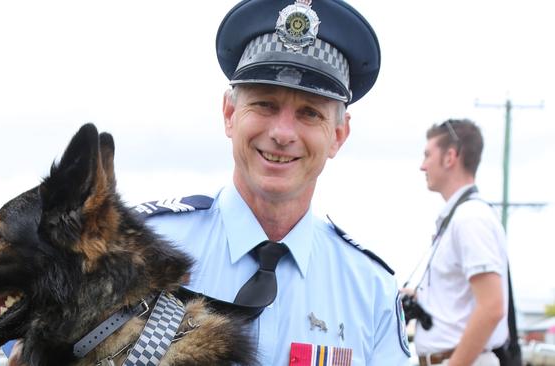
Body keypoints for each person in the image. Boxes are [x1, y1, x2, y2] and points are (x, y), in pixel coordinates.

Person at [134, 0, 411, 364]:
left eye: (309, 113)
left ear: (338, 135)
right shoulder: (141, 250)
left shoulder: (369, 289)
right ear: (230, 114)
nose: (282, 133)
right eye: (264, 104)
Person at [406, 119, 509, 366]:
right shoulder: (462, 216)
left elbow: (492, 307)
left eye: (428, 155)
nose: (422, 166)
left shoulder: (470, 218)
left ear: (450, 157)